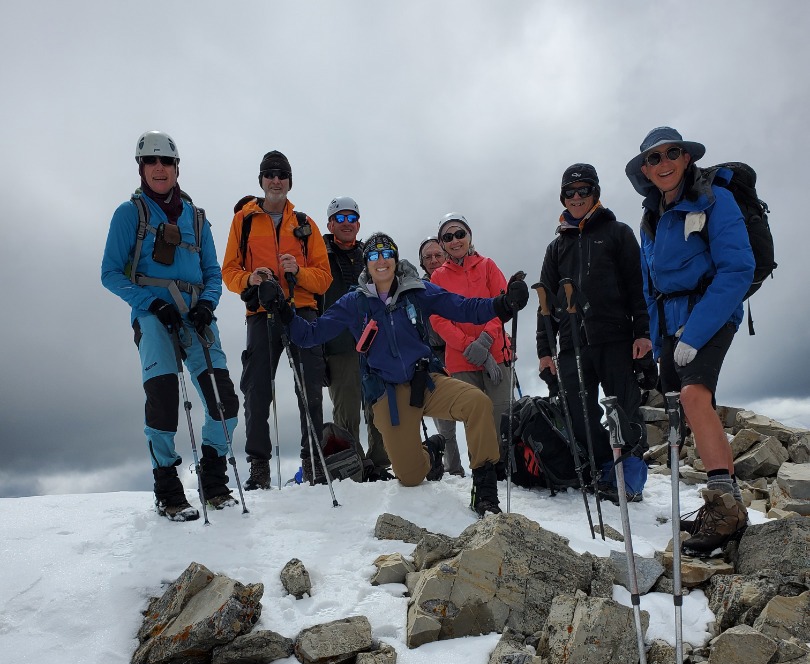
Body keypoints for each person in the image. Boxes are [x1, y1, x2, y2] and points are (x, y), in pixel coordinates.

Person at [256, 233, 529, 515]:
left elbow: (463, 307)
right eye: (374, 256)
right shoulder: (354, 303)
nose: (381, 260)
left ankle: (484, 490)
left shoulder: (417, 291)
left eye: (387, 254)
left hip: (426, 381)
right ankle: (431, 451)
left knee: (477, 403)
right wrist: (282, 310)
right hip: (388, 392)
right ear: (367, 264)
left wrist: (503, 303)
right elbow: (309, 335)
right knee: (410, 477)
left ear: (396, 260)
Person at [626, 127, 755, 553]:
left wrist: (695, 333)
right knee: (687, 403)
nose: (663, 163)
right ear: (645, 170)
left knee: (695, 395)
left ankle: (724, 512)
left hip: (711, 311)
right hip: (670, 324)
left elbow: (737, 268)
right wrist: (657, 338)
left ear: (686, 159)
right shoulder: (650, 217)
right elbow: (650, 286)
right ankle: (730, 504)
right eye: (654, 158)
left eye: (672, 153)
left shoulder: (715, 199)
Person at [101, 131, 239, 521]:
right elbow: (110, 273)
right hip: (153, 316)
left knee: (224, 401)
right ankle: (168, 490)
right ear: (141, 167)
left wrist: (207, 304)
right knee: (163, 401)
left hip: (196, 316)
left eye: (166, 161)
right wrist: (151, 303)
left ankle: (213, 480)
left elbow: (212, 273)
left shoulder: (197, 218)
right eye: (151, 161)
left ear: (177, 168)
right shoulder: (129, 214)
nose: (159, 168)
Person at [536, 164, 653, 503]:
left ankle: (630, 477)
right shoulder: (556, 248)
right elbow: (545, 305)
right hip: (571, 344)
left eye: (583, 190)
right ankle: (605, 467)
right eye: (569, 192)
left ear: (595, 193)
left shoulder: (618, 233)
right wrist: (545, 352)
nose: (576, 197)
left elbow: (639, 287)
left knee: (624, 410)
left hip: (616, 338)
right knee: (579, 414)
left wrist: (643, 333)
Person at [222, 150, 332, 489]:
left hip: (301, 310)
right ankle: (259, 468)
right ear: (261, 180)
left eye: (281, 175)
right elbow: (229, 272)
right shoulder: (243, 221)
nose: (275, 180)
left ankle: (313, 462)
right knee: (256, 390)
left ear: (289, 182)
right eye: (269, 174)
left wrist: (298, 271)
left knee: (310, 388)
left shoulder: (304, 224)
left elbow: (323, 278)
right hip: (262, 313)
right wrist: (251, 279)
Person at [428, 216, 514, 475]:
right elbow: (437, 319)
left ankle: (507, 471)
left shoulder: (488, 266)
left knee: (501, 413)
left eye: (459, 234)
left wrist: (485, 342)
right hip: (461, 360)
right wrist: (469, 347)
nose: (455, 241)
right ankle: (483, 472)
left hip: (496, 353)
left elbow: (503, 304)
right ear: (443, 243)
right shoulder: (437, 277)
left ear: (469, 235)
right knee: (475, 419)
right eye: (448, 237)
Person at [322, 196, 391, 480]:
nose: (346, 223)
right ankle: (353, 466)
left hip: (374, 343)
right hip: (338, 345)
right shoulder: (319, 255)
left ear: (358, 224)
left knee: (379, 404)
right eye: (340, 218)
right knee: (347, 410)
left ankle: (380, 462)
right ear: (330, 224)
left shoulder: (369, 255)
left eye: (352, 218)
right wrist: (318, 352)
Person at [418, 236, 465, 477]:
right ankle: (453, 468)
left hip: (464, 351)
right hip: (434, 356)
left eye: (438, 255)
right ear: (422, 262)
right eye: (428, 257)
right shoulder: (416, 290)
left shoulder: (458, 279)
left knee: (475, 408)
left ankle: (487, 465)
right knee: (444, 421)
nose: (434, 260)